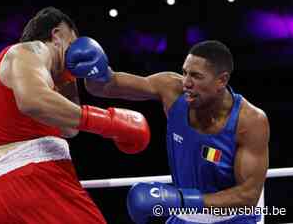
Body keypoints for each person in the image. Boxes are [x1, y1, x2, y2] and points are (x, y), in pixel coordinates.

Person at [0, 6, 150, 224]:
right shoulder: (27, 51)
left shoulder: (21, 71)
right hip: (34, 179)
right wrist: (110, 123)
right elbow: (33, 101)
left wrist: (69, 76)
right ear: (57, 35)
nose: (75, 49)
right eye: (72, 42)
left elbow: (69, 129)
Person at [71, 40, 270, 223]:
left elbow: (248, 196)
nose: (187, 83)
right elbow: (106, 87)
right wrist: (95, 71)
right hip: (183, 217)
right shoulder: (171, 90)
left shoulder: (250, 121)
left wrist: (182, 200)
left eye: (196, 76)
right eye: (185, 73)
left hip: (233, 220)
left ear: (222, 80)